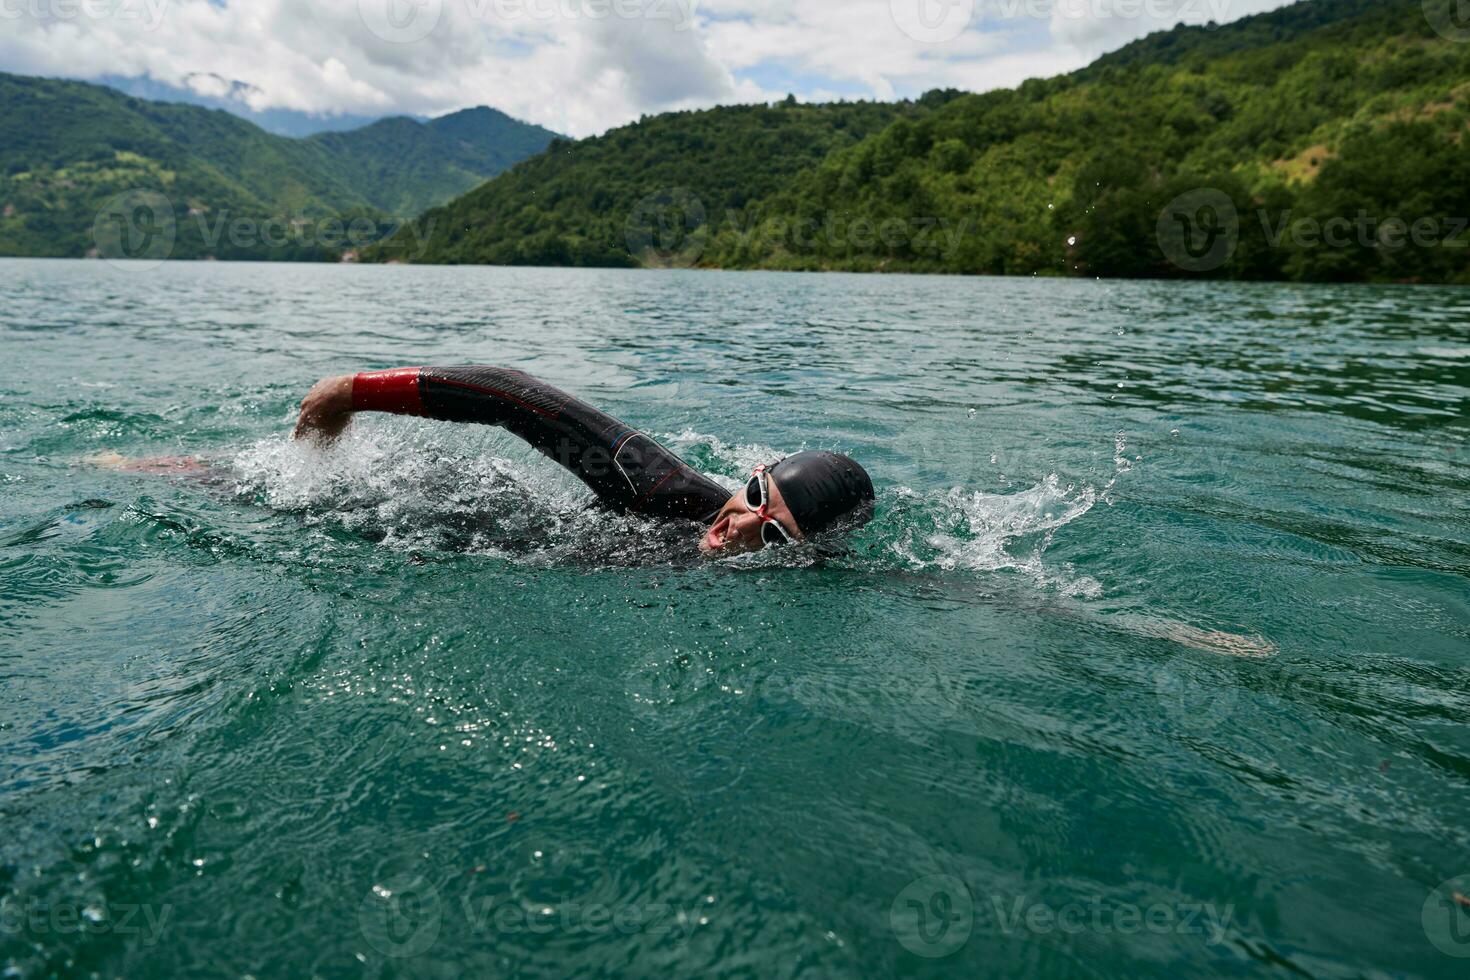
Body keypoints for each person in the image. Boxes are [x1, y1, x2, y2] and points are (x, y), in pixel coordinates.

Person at [293, 366, 875, 556]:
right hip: (447, 516)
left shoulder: (806, 577)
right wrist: (350, 392)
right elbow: (514, 398)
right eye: (754, 501)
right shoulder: (658, 488)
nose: (739, 527)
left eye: (772, 537)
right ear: (752, 474)